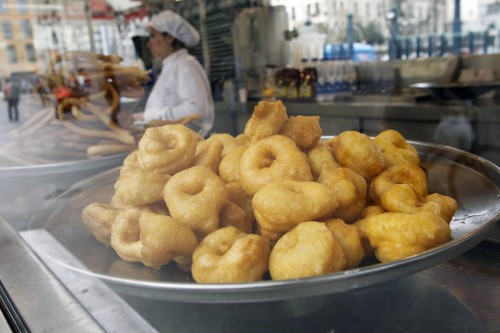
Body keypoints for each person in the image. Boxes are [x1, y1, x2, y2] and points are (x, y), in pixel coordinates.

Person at [138, 10, 214, 136]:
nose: (149, 44)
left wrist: (149, 115)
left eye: (153, 36)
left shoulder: (185, 65)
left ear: (169, 37)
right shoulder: (172, 65)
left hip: (190, 144)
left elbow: (196, 110)